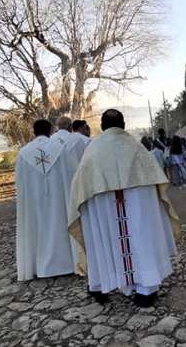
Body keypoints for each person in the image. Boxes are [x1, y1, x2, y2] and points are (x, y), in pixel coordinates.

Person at [68, 109, 179, 307]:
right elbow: (156, 179)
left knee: (103, 237)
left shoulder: (92, 151)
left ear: (102, 126)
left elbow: (80, 188)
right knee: (141, 234)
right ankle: (146, 289)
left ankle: (101, 283)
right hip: (136, 201)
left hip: (103, 204)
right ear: (124, 125)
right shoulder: (136, 148)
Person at [15, 119, 78, 280]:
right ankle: (66, 264)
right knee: (60, 225)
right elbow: (73, 174)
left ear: (33, 131)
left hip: (34, 202)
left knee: (37, 228)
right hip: (59, 199)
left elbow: (20, 183)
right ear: (51, 130)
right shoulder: (59, 149)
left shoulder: (23, 153)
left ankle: (39, 266)